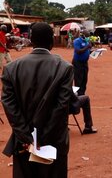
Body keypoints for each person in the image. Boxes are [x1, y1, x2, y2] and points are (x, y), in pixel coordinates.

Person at [1, 22, 73, 177]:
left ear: (31, 40)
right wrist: (41, 137)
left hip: (23, 143)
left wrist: (26, 137)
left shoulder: (11, 68)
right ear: (52, 41)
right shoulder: (64, 68)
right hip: (53, 142)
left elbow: (9, 105)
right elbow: (61, 107)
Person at [72, 30, 92, 96]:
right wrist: (87, 47)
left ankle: (82, 94)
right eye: (87, 36)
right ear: (82, 35)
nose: (88, 37)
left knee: (84, 79)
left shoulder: (87, 41)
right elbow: (78, 51)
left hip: (85, 63)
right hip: (78, 63)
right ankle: (77, 95)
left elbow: (88, 50)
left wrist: (95, 52)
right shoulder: (77, 41)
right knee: (78, 80)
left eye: (88, 36)